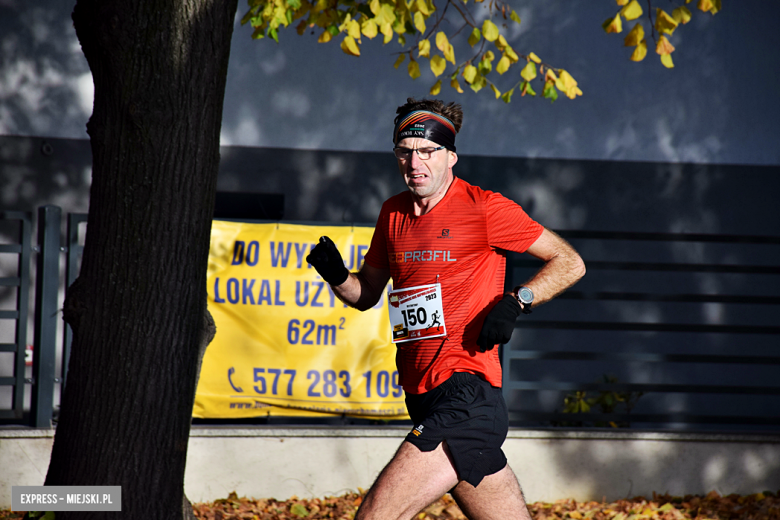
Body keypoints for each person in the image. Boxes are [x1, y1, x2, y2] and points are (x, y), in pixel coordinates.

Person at [306, 98, 586, 520]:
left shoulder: (485, 207)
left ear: (450, 156)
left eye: (427, 151)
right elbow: (366, 295)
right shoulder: (392, 213)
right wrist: (336, 275)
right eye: (405, 151)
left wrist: (517, 301)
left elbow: (569, 261)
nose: (414, 161)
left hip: (467, 395)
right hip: (420, 395)